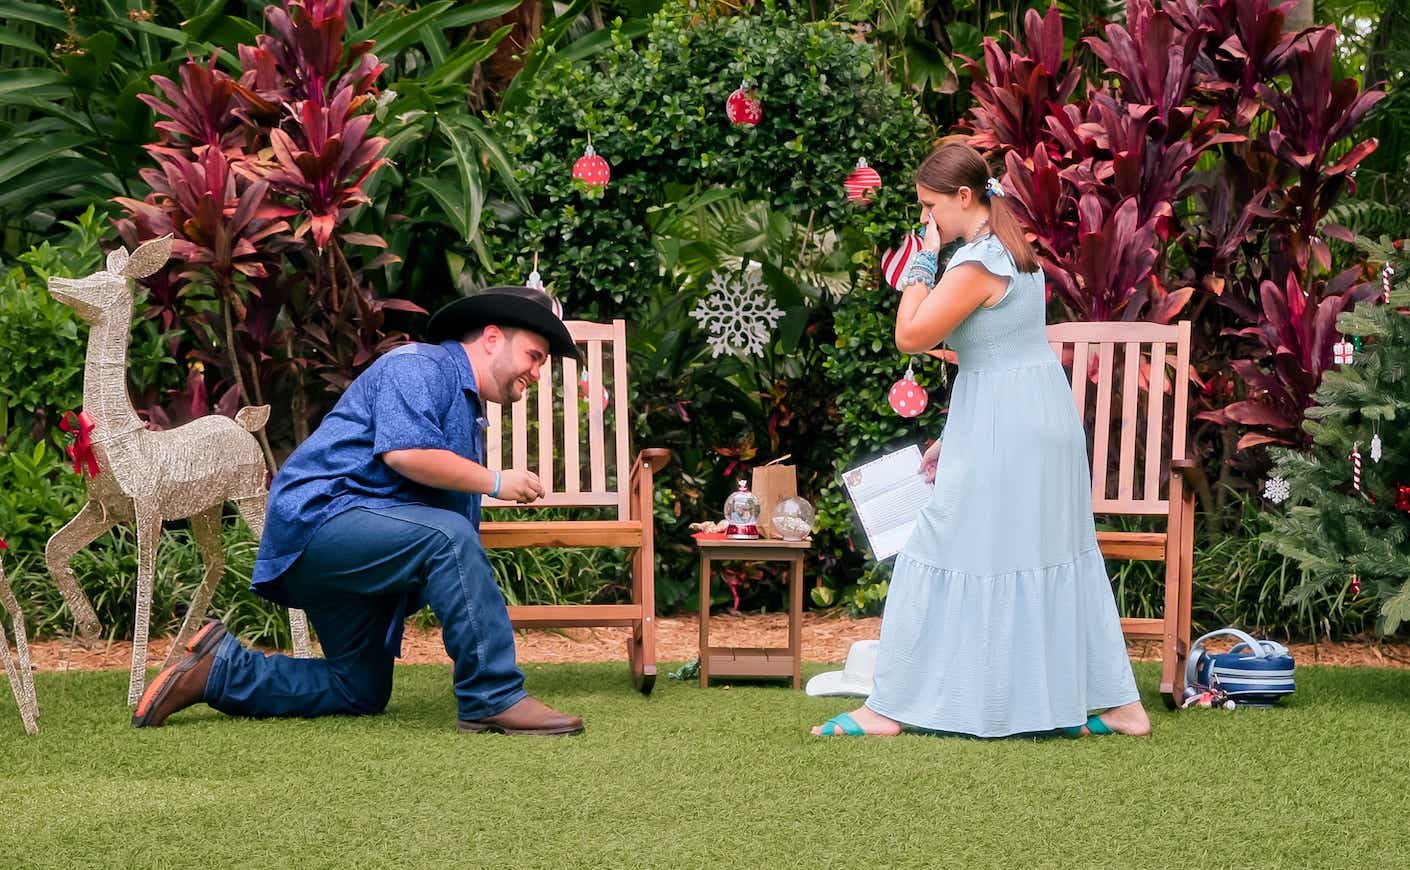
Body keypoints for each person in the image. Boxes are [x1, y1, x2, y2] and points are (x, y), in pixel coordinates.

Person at [133, 285, 586, 736]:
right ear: (491, 339)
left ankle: (219, 671)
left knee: (359, 689)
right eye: (534, 356)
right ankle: (494, 696)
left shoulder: (465, 405)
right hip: (321, 523)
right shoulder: (420, 365)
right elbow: (406, 454)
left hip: (354, 549)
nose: (537, 372)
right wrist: (497, 481)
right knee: (448, 537)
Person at [813, 140, 1150, 739]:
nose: (926, 218)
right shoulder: (1013, 253)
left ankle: (885, 709)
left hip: (1009, 427)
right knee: (1048, 553)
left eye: (930, 206)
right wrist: (954, 435)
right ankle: (1120, 706)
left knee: (932, 546)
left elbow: (911, 336)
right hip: (1025, 418)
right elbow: (996, 353)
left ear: (964, 197)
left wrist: (922, 260)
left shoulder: (975, 264)